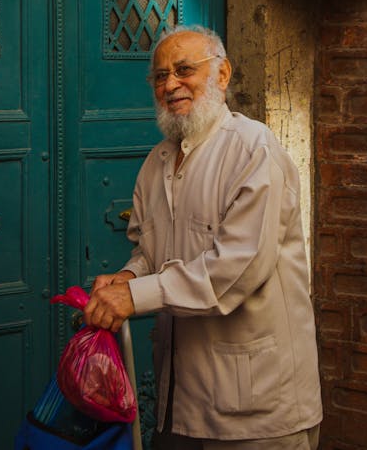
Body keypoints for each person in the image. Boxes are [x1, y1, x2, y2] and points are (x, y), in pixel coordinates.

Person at [83, 25, 322, 450]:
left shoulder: (253, 150)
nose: (170, 84)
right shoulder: (156, 163)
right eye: (159, 76)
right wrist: (126, 276)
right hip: (180, 402)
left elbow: (237, 269)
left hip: (256, 408)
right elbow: (149, 251)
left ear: (223, 74)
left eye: (183, 70)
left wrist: (135, 297)